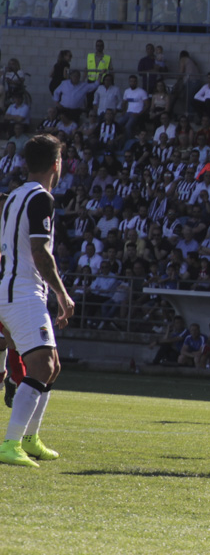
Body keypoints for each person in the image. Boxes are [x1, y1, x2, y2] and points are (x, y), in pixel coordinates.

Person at [0, 134, 76, 467]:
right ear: (56, 164)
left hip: (13, 289)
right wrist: (62, 293)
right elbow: (40, 252)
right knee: (42, 366)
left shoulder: (14, 195)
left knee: (52, 366)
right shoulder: (41, 198)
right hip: (23, 293)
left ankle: (29, 439)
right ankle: (11, 443)